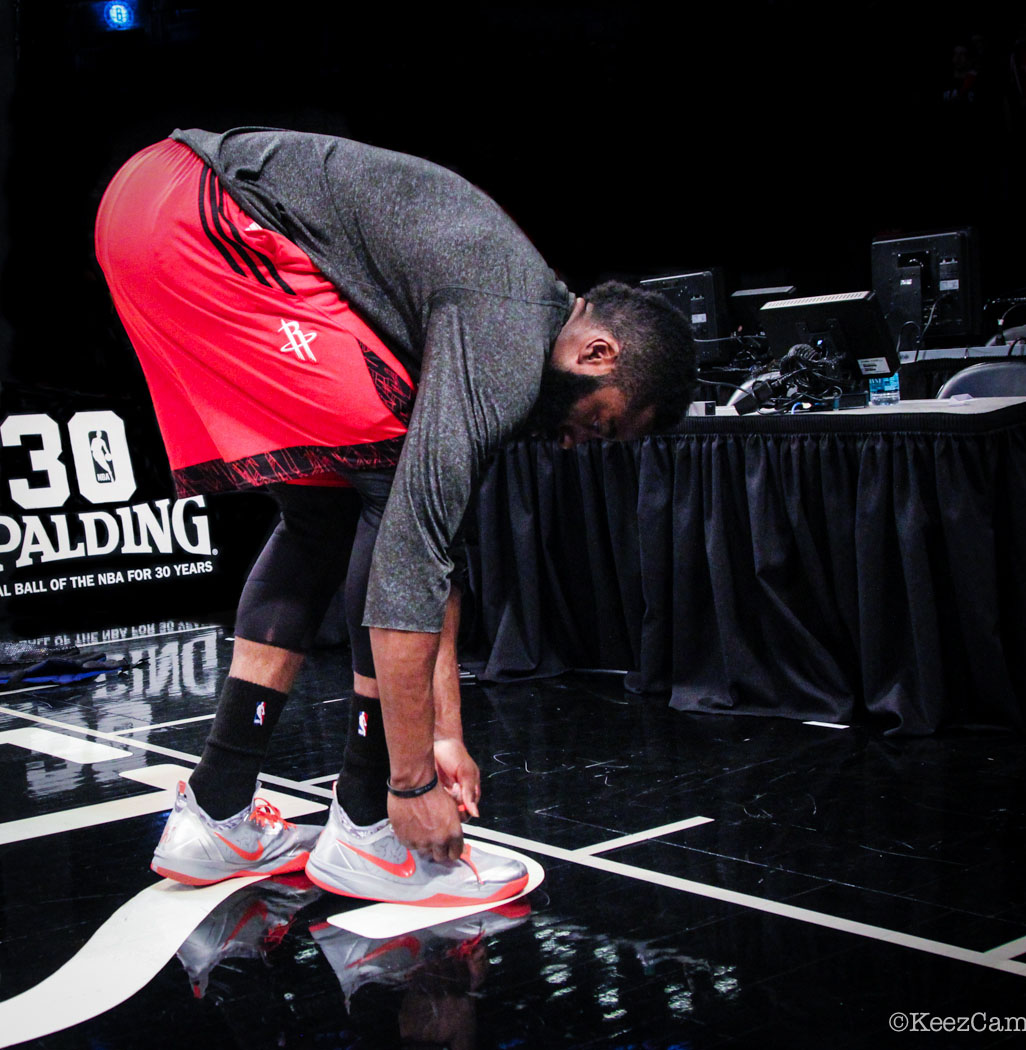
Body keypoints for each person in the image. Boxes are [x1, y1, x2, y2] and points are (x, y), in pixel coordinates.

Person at [95, 128, 694, 906]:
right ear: (600, 355)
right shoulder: (508, 338)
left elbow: (433, 554)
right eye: (601, 425)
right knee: (384, 492)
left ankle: (214, 810)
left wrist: (445, 732)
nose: (578, 444)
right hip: (205, 213)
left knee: (328, 515)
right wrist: (414, 782)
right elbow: (411, 552)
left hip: (146, 207)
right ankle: (370, 826)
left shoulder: (506, 311)